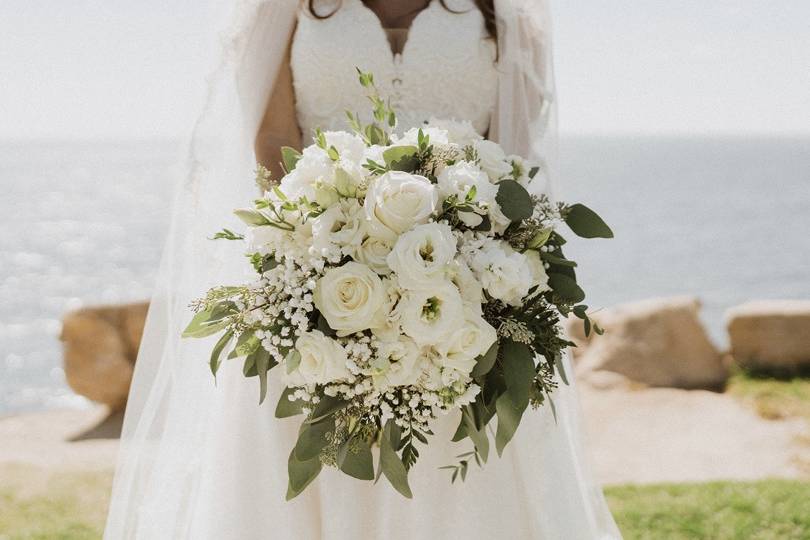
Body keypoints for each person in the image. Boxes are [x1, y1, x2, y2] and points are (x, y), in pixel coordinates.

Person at [104, 1, 622, 538]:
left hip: (465, 307)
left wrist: (471, 274)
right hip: (315, 289)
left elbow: (515, 162)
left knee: (456, 483)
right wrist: (316, 261)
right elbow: (271, 140)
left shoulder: (506, 15)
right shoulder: (281, 9)